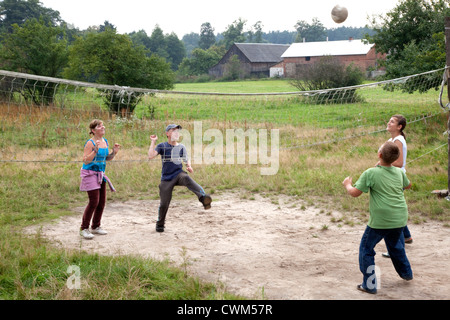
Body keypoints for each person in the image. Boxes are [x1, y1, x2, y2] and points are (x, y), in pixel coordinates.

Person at [343, 141, 413, 294]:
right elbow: (408, 185)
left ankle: (369, 284)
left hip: (381, 220)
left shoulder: (370, 173)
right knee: (395, 246)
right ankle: (407, 273)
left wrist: (348, 184)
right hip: (400, 217)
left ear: (379, 155)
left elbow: (355, 193)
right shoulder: (399, 172)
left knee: (366, 249)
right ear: (395, 159)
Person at [148, 124, 212, 233]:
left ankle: (203, 197)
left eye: (178, 131)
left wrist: (189, 165)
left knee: (186, 178)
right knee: (164, 203)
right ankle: (160, 224)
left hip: (178, 174)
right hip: (166, 179)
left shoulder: (181, 147)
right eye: (173, 131)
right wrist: (153, 141)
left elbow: (186, 158)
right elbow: (151, 155)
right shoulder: (162, 146)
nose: (176, 133)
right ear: (167, 134)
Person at [377, 115, 412, 258]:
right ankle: (407, 236)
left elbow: (399, 163)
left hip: (396, 179)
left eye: (392, 122)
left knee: (392, 212)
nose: (388, 123)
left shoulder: (398, 140)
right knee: (395, 209)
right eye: (389, 120)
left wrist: (379, 164)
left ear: (400, 127)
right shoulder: (392, 140)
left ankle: (396, 248)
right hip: (391, 178)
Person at [79, 119, 121, 239]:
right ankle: (84, 228)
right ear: (93, 130)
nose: (102, 127)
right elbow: (86, 160)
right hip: (90, 174)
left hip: (100, 174)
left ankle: (96, 226)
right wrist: (95, 150)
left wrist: (114, 152)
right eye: (99, 126)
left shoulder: (105, 141)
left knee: (101, 203)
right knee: (94, 202)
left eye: (103, 125)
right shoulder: (90, 143)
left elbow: (106, 159)